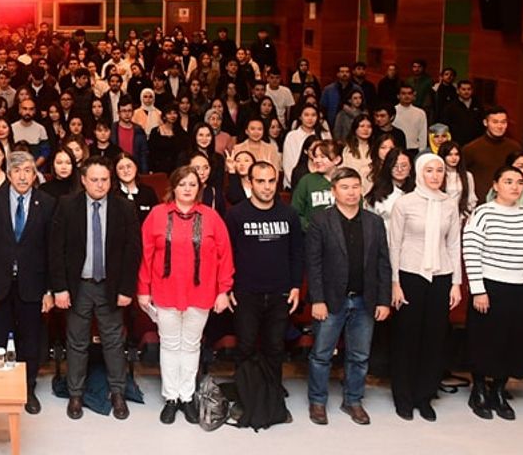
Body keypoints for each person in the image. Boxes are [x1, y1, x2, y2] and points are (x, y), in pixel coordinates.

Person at [138, 166, 233, 425]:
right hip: (165, 291)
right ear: (173, 187)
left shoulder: (211, 217)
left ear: (199, 188)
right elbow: (145, 255)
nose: (188, 189)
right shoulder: (157, 215)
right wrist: (143, 289)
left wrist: (224, 290)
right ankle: (171, 397)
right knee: (169, 345)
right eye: (182, 184)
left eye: (192, 184)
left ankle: (187, 396)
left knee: (191, 346)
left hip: (201, 292)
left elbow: (225, 255)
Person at [50, 157, 142, 420]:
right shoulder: (67, 205)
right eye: (94, 180)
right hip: (78, 286)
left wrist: (126, 289)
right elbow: (56, 249)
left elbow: (133, 251)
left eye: (104, 179)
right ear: (83, 180)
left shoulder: (124, 208)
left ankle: (118, 393)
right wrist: (60, 288)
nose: (100, 185)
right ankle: (76, 394)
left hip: (110, 287)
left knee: (113, 342)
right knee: (77, 342)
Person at [304, 167, 391, 426]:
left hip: (365, 299)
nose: (351, 192)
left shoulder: (374, 222)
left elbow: (383, 263)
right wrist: (317, 299)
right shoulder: (321, 220)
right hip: (331, 300)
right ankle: (317, 401)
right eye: (344, 187)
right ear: (334, 191)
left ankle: (353, 400)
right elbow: (313, 264)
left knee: (359, 356)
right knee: (321, 354)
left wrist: (384, 300)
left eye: (355, 187)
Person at [463, 165, 523, 420]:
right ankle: (479, 389)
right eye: (508, 181)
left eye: (519, 183)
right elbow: (471, 252)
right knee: (485, 340)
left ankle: (499, 390)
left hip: (520, 288)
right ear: (495, 185)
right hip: (490, 287)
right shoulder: (483, 213)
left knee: (513, 341)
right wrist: (478, 290)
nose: (515, 187)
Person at [0, 150, 56, 414]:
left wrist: (49, 290)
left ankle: (27, 388)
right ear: (8, 174)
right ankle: (1, 386)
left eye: (28, 171)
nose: (22, 176)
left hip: (33, 284)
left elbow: (51, 250)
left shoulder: (47, 203)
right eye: (17, 171)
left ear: (35, 175)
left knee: (30, 340)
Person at [225, 161, 302, 429]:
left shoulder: (289, 214)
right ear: (250, 182)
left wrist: (295, 286)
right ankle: (245, 397)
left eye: (271, 181)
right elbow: (227, 254)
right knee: (245, 347)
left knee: (275, 348)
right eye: (261, 181)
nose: (267, 187)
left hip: (280, 293)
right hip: (246, 293)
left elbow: (297, 253)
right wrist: (228, 287)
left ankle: (273, 398)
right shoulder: (236, 214)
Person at [387, 153, 462, 421]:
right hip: (409, 275)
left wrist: (456, 283)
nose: (435, 175)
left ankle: (424, 396)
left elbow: (454, 244)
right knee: (407, 338)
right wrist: (395, 282)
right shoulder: (405, 202)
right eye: (429, 170)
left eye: (439, 171)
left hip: (441, 276)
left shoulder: (450, 204)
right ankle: (403, 397)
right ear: (419, 172)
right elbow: (394, 244)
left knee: (434, 338)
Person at [461, 106, 520, 204]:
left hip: (509, 202)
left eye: (503, 122)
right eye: (495, 122)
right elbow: (461, 175)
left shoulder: (514, 148)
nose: (499, 126)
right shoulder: (471, 148)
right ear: (485, 123)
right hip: (479, 203)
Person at [114, 151, 158, 223]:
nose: (126, 171)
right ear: (116, 172)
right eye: (121, 168)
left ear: (136, 167)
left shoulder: (148, 192)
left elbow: (157, 219)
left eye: (129, 166)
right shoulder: (112, 195)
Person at [394, 84, 429, 157]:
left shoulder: (420, 113)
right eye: (403, 93)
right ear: (398, 96)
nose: (407, 96)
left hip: (414, 150)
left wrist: (422, 152)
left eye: (409, 93)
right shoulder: (393, 111)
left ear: (413, 96)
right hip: (396, 149)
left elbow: (423, 134)